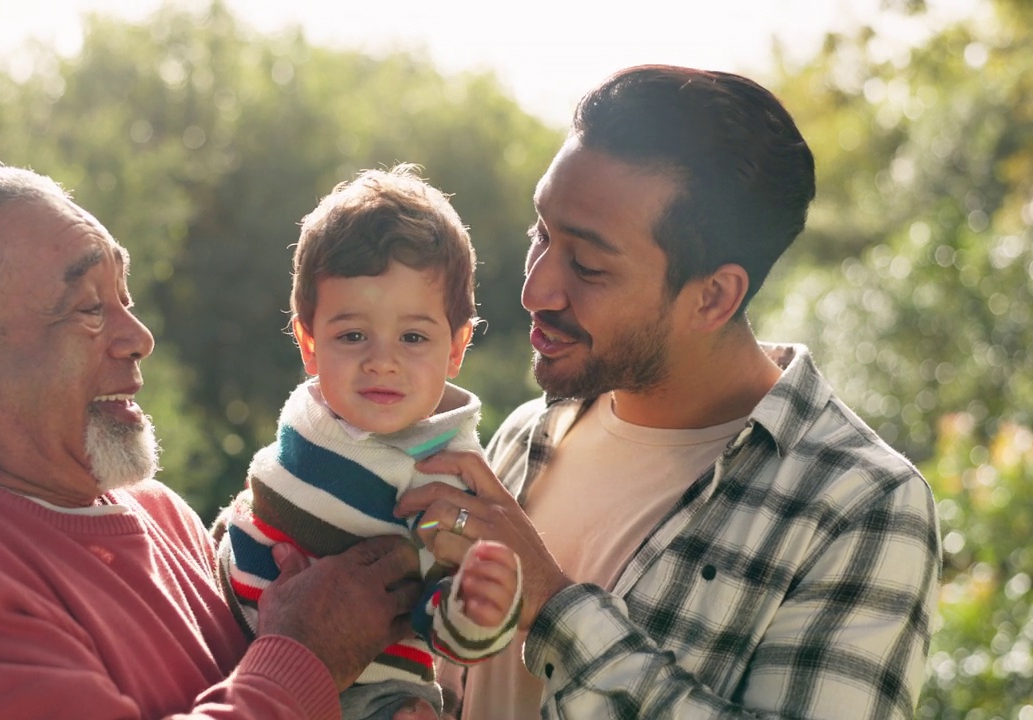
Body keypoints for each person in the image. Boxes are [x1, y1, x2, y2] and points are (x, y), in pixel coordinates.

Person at [398, 65, 942, 719]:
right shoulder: (525, 434)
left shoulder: (862, 506)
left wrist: (553, 607)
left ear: (714, 296)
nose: (535, 291)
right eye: (541, 234)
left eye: (590, 266)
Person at [0, 162, 426, 720]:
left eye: (123, 299)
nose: (138, 337)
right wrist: (304, 659)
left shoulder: (161, 514)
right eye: (88, 309)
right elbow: (296, 667)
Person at [213, 165, 523, 720]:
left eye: (413, 337)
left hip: (367, 692)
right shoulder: (310, 409)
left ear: (456, 348)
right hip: (230, 646)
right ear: (308, 342)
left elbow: (441, 624)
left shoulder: (444, 470)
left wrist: (479, 607)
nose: (382, 360)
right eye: (352, 335)